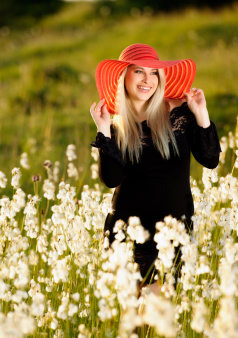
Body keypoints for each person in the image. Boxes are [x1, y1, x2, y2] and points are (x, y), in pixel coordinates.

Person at [89, 43, 221, 293]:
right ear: (124, 76)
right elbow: (111, 179)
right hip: (126, 233)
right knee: (133, 326)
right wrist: (103, 132)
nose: (147, 79)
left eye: (153, 73)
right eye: (139, 71)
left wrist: (201, 113)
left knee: (155, 316)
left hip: (172, 232)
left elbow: (210, 159)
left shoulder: (179, 113)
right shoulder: (116, 127)